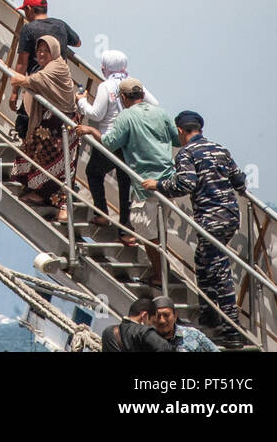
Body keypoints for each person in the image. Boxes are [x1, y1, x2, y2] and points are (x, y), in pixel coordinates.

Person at [143, 111, 247, 348]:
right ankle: (209, 317)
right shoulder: (221, 149)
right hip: (230, 217)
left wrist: (158, 185)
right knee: (203, 261)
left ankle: (232, 330)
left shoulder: (186, 153)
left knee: (219, 271)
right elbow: (240, 182)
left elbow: (185, 183)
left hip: (210, 220)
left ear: (180, 131)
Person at [77, 79, 179, 286]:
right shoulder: (161, 113)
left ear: (123, 98)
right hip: (169, 180)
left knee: (148, 233)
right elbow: (177, 140)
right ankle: (162, 273)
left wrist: (91, 131)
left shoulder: (127, 116)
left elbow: (109, 142)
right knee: (159, 232)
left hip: (146, 182)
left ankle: (160, 277)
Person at [0, 35, 79, 219]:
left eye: (45, 50)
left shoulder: (56, 67)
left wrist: (5, 69)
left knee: (52, 162)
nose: (41, 54)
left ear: (55, 52)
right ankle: (40, 192)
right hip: (52, 124)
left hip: (60, 126)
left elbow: (30, 81)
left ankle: (48, 198)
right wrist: (4, 67)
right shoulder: (49, 67)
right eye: (39, 50)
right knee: (38, 153)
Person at [77, 50, 158, 231]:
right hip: (130, 143)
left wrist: (82, 102)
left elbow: (96, 115)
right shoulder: (134, 85)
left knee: (94, 173)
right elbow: (155, 105)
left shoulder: (106, 86)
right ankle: (125, 227)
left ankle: (102, 214)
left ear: (105, 67)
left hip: (109, 139)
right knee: (125, 182)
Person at [10, 0, 81, 140]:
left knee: (25, 127)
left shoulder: (28, 29)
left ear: (29, 9)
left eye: (25, 11)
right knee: (52, 132)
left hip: (38, 86)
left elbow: (22, 63)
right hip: (58, 89)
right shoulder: (60, 25)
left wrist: (14, 92)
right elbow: (78, 43)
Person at [101, 297, 175, 352]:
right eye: (151, 322)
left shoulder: (108, 332)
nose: (151, 326)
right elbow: (166, 348)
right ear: (144, 315)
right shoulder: (144, 332)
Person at [151, 296, 219, 352]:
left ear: (175, 316)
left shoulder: (193, 335)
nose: (162, 321)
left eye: (166, 315)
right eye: (158, 316)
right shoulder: (147, 339)